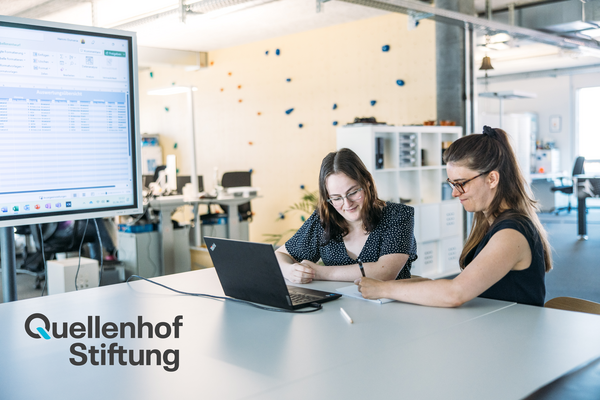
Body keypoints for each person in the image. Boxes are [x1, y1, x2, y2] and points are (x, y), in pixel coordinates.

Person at [356, 126, 552, 307]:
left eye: (461, 183)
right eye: (452, 183)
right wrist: (410, 285)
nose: (455, 193)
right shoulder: (492, 222)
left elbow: (455, 293)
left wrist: (383, 289)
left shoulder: (512, 233)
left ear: (492, 179)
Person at [275, 148, 417, 284]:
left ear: (367, 182)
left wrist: (320, 273)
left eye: (353, 192)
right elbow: (280, 255)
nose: (347, 204)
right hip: (338, 301)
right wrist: (289, 270)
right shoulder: (323, 219)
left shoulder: (398, 216)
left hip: (389, 301)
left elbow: (385, 273)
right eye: (336, 198)